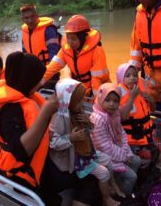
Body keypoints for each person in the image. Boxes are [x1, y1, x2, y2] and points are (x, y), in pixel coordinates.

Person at [0, 51, 56, 192]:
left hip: (40, 163)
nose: (41, 82)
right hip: (22, 175)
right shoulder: (9, 110)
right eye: (38, 78)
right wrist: (46, 113)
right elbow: (19, 151)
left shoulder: (27, 96)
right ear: (28, 79)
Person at [49, 78, 122, 206]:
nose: (82, 103)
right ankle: (106, 198)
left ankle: (112, 185)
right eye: (79, 100)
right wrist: (71, 138)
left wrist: (87, 122)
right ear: (69, 100)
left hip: (88, 152)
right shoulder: (59, 118)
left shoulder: (77, 111)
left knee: (108, 161)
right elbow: (53, 142)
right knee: (104, 173)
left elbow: (89, 130)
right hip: (75, 158)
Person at [40, 14, 111, 97]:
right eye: (68, 38)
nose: (70, 42)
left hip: (98, 90)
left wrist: (97, 101)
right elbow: (51, 69)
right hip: (80, 89)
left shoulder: (97, 51)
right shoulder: (65, 50)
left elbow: (97, 80)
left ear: (82, 37)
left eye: (73, 39)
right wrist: (39, 84)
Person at [90, 83, 141, 196]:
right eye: (107, 100)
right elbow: (103, 146)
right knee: (132, 177)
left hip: (115, 152)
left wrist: (126, 153)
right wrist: (123, 156)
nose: (112, 104)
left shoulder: (115, 113)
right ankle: (120, 195)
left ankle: (120, 185)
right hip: (104, 156)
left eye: (115, 101)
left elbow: (121, 134)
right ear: (100, 98)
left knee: (136, 160)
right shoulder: (97, 119)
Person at [20, 4, 60, 89]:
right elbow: (24, 54)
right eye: (26, 18)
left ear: (37, 16)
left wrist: (47, 73)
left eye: (32, 16)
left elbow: (54, 52)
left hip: (49, 70)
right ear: (22, 19)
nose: (30, 20)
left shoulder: (48, 29)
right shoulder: (24, 32)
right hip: (34, 71)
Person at [116, 63, 155, 147]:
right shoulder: (118, 93)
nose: (132, 78)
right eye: (128, 76)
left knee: (160, 150)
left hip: (147, 136)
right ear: (121, 78)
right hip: (132, 141)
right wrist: (132, 98)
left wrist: (151, 100)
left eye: (135, 75)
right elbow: (122, 117)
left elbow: (153, 110)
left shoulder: (142, 88)